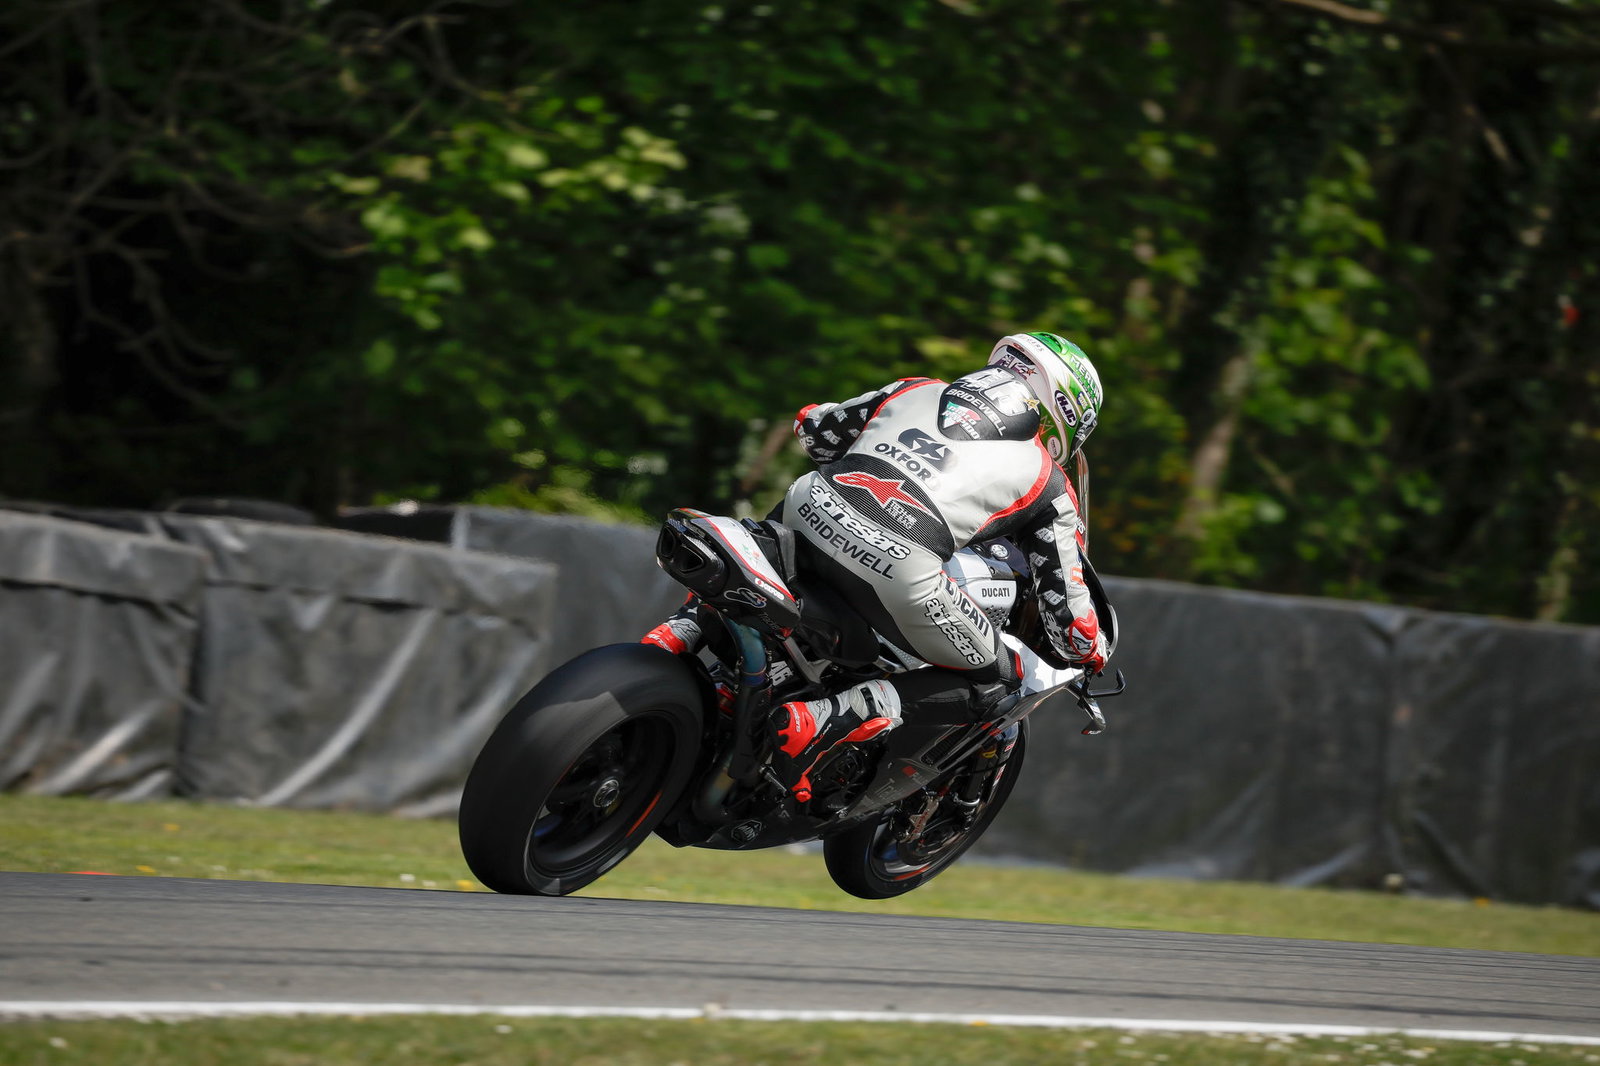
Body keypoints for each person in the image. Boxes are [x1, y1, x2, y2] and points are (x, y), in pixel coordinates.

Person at [643, 331, 1110, 801]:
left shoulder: (915, 389)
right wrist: (1091, 652)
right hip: (900, 571)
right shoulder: (1049, 483)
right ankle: (827, 716)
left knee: (764, 536)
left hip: (808, 510)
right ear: (1064, 420)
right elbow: (1066, 615)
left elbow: (815, 430)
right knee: (1000, 683)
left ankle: (682, 630)